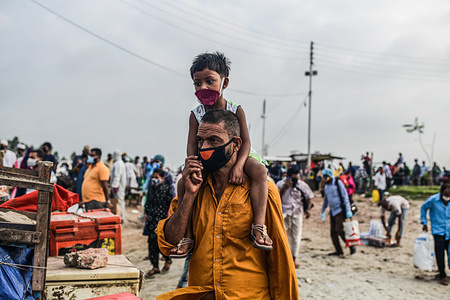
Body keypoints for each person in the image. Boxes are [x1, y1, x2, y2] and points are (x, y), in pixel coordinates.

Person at [156, 109, 298, 299]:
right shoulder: (194, 186)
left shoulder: (262, 191)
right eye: (200, 141)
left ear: (236, 143)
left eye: (214, 140)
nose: (204, 148)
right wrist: (189, 194)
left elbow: (280, 259)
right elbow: (169, 241)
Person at [174, 52, 272, 258]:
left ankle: (259, 226)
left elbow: (245, 141)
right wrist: (192, 165)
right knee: (183, 184)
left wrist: (239, 166)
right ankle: (188, 237)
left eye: (210, 81)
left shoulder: (236, 110)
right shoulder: (196, 114)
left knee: (259, 171)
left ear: (224, 82)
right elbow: (192, 144)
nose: (203, 88)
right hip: (206, 153)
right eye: (197, 83)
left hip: (237, 152)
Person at [277, 167, 314, 268]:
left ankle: (293, 259)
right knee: (282, 236)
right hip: (284, 213)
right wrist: (285, 187)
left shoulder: (302, 185)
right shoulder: (280, 184)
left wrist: (308, 209)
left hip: (297, 212)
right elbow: (276, 198)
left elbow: (309, 196)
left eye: (295, 178)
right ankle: (284, 258)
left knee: (296, 237)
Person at [143, 168, 174, 278]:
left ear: (162, 178)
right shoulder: (151, 189)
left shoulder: (166, 189)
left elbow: (172, 203)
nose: (154, 180)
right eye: (153, 177)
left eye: (157, 178)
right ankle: (155, 266)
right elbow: (148, 202)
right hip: (152, 219)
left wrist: (170, 215)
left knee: (160, 241)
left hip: (163, 219)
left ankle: (167, 259)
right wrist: (146, 213)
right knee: (151, 242)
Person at [320, 168, 354, 258]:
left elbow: (345, 197)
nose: (325, 178)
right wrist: (322, 211)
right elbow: (326, 200)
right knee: (333, 233)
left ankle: (351, 245)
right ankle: (339, 251)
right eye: (324, 177)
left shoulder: (338, 183)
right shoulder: (326, 186)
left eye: (326, 176)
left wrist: (348, 210)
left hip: (340, 210)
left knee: (339, 230)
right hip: (332, 212)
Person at [420, 183, 450, 286]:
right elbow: (423, 208)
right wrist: (424, 222)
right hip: (438, 230)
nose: (448, 197)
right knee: (440, 253)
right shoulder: (433, 200)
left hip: (449, 230)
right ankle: (443, 274)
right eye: (446, 194)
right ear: (441, 193)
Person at [110, 150, 126, 221]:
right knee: (119, 201)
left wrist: (115, 186)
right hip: (120, 186)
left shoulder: (118, 164)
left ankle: (121, 217)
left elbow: (117, 175)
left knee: (119, 202)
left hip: (118, 187)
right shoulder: (119, 163)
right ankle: (120, 216)